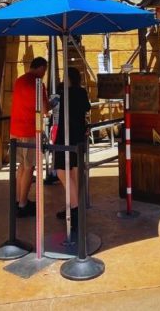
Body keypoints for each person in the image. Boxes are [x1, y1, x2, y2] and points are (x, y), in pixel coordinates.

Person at [54, 67, 92, 232]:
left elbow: (56, 112)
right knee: (76, 171)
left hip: (65, 136)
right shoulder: (81, 92)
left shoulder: (63, 94)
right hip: (78, 136)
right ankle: (75, 205)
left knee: (62, 172)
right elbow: (87, 108)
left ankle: (75, 209)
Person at [10, 56, 48, 218]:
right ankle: (23, 204)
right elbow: (45, 110)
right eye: (44, 71)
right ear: (40, 68)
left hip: (15, 130)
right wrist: (52, 102)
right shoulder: (38, 84)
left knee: (20, 166)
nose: (44, 74)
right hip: (29, 130)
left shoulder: (19, 80)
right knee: (29, 167)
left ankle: (18, 199)